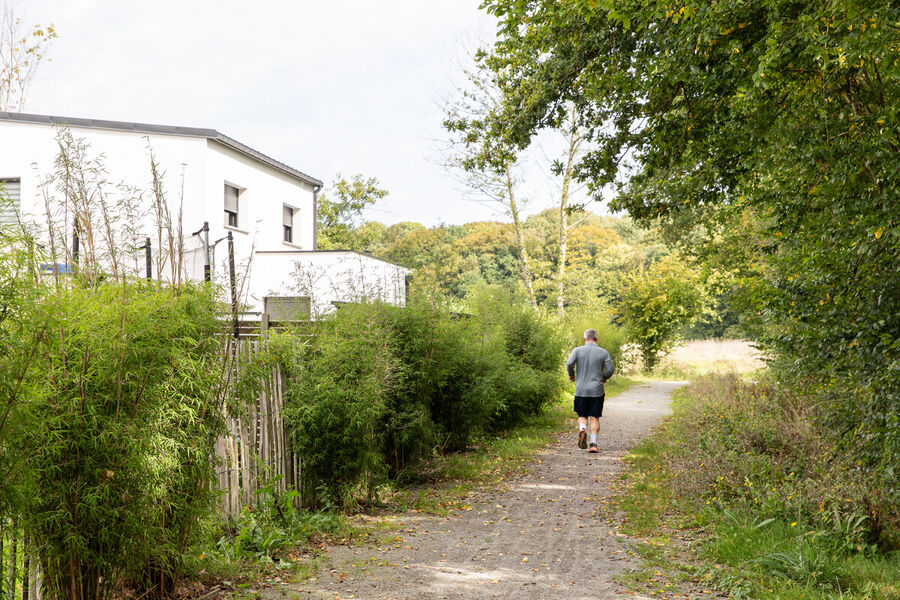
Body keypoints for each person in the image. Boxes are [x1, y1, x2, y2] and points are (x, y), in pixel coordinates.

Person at [566, 328, 614, 453]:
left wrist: (571, 375)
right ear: (596, 339)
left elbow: (569, 363)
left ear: (585, 339)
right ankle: (593, 444)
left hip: (581, 390)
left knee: (582, 415)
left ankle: (582, 429)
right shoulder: (603, 352)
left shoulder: (577, 350)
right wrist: (604, 377)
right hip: (596, 390)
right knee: (594, 417)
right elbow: (610, 369)